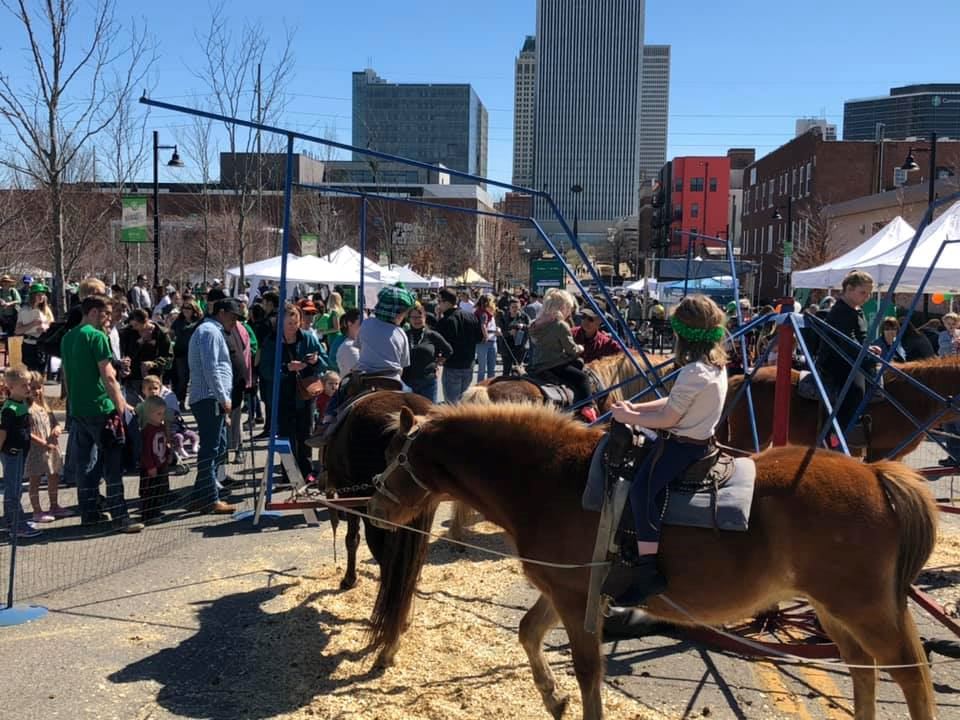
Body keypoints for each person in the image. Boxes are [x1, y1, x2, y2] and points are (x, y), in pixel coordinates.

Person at [603, 294, 729, 605]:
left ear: (681, 335)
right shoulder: (714, 364)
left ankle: (647, 570)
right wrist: (637, 406)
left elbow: (669, 418)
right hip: (702, 440)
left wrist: (629, 417)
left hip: (682, 447)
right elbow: (674, 403)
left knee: (641, 492)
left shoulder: (692, 372)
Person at [61, 295, 143, 533]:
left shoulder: (68, 337)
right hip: (101, 407)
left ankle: (89, 513)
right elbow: (108, 376)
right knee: (112, 464)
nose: (109, 318)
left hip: (79, 408)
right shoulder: (96, 336)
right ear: (94, 312)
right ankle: (120, 515)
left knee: (85, 464)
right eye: (106, 313)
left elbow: (66, 374)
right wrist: (121, 406)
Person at [260, 302, 326, 481]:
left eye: (295, 322)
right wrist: (286, 367)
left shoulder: (307, 338)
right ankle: (288, 472)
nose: (293, 327)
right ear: (280, 322)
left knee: (305, 433)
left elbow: (324, 361)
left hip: (305, 394)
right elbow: (265, 370)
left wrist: (315, 360)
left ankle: (307, 472)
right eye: (289, 323)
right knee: (285, 434)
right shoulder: (271, 341)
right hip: (281, 394)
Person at [815, 271, 881, 448]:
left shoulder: (855, 310)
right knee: (855, 391)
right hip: (837, 362)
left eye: (869, 294)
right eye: (863, 292)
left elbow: (859, 338)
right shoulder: (841, 311)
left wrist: (869, 348)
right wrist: (866, 352)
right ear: (848, 289)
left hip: (852, 358)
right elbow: (846, 341)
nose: (867, 297)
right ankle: (834, 437)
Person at [187, 298, 241, 514]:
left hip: (212, 398)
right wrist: (222, 397)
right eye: (233, 317)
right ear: (221, 312)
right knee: (210, 450)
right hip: (209, 398)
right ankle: (210, 498)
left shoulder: (212, 331)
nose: (235, 322)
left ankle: (200, 495)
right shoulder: (209, 332)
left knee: (217, 447)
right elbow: (211, 367)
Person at [528, 289, 597, 423]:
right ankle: (588, 407)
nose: (570, 313)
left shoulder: (536, 325)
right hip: (556, 365)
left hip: (537, 365)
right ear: (563, 307)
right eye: (569, 309)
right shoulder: (560, 325)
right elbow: (571, 350)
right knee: (582, 378)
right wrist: (580, 348)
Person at [1, 365, 41, 537]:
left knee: (16, 487)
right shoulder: (10, 409)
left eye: (28, 384)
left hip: (21, 453)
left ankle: (13, 520)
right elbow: (2, 433)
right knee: (13, 489)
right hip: (12, 453)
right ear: (10, 388)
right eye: (23, 385)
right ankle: (16, 525)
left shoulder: (22, 403)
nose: (28, 388)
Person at [25, 371, 69, 523]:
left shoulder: (44, 405)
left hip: (51, 447)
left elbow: (55, 422)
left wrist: (57, 428)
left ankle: (54, 505)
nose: (36, 391)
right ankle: (37, 510)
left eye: (39, 387)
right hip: (36, 449)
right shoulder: (27, 409)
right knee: (35, 480)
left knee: (53, 476)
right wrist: (43, 442)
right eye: (32, 388)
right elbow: (28, 432)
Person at [354, 285, 415, 382]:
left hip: (364, 376)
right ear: (398, 314)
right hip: (392, 379)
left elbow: (360, 349)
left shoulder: (366, 323)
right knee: (410, 393)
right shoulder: (401, 333)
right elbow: (402, 365)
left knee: (340, 393)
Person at [436, 287, 483, 403]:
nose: (438, 305)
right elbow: (480, 338)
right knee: (464, 403)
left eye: (439, 301)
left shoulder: (446, 320)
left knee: (452, 405)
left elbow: (439, 342)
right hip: (468, 364)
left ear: (446, 302)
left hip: (453, 366)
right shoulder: (471, 316)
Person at [403, 302, 453, 402]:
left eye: (419, 317)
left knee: (428, 413)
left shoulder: (432, 335)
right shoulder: (404, 335)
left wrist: (438, 363)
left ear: (424, 317)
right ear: (409, 319)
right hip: (408, 382)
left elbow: (448, 350)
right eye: (413, 317)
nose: (417, 320)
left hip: (428, 382)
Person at [137, 395, 170, 523]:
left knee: (159, 490)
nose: (162, 416)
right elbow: (145, 451)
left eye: (163, 413)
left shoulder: (160, 427)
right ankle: (148, 514)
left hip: (160, 463)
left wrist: (168, 453)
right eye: (159, 413)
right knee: (149, 491)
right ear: (149, 414)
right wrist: (150, 466)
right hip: (150, 467)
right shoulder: (147, 430)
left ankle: (156, 511)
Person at [16, 282, 54, 373]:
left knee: (40, 374)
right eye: (38, 295)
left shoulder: (47, 310)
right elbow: (17, 331)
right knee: (29, 373)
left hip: (42, 344)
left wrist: (45, 328)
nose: (41, 297)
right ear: (33, 296)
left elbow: (52, 326)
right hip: (28, 344)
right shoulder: (24, 310)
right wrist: (32, 324)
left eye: (43, 295)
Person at [938, 313, 960, 467]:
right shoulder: (942, 336)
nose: (951, 326)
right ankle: (952, 455)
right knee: (948, 423)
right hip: (947, 380)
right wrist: (954, 341)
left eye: (953, 323)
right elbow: (944, 351)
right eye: (948, 323)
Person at [170, 299, 201, 406]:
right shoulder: (178, 321)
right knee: (182, 379)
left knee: (195, 379)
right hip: (181, 353)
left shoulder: (198, 322)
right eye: (184, 308)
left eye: (189, 308)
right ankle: (181, 401)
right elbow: (171, 334)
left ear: (194, 310)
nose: (186, 310)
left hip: (194, 354)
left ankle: (196, 400)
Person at [498, 298, 529, 376]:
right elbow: (499, 332)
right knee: (506, 371)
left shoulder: (524, 316)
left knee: (518, 371)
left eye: (517, 307)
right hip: (507, 347)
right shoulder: (503, 317)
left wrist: (523, 326)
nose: (515, 309)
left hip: (520, 347)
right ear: (509, 307)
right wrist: (509, 333)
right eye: (513, 307)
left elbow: (531, 328)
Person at [474, 294, 499, 382]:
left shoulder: (485, 312)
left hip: (491, 341)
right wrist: (486, 336)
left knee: (488, 368)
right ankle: (482, 387)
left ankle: (488, 385)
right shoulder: (483, 313)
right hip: (485, 342)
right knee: (483, 368)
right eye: (492, 301)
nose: (494, 303)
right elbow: (483, 325)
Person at [331, 309, 361, 375]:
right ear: (349, 323)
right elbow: (362, 372)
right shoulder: (348, 346)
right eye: (360, 323)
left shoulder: (359, 344)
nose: (364, 326)